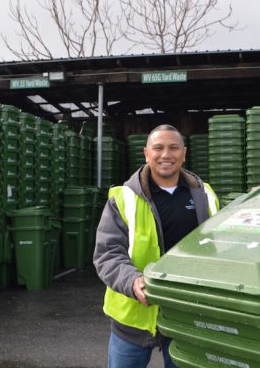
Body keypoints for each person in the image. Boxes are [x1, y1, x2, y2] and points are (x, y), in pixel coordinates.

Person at [93, 124, 220, 368]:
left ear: (184, 153)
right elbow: (107, 254)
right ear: (146, 153)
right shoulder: (123, 197)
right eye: (158, 148)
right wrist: (132, 281)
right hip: (133, 319)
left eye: (173, 148)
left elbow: (227, 239)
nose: (166, 155)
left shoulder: (206, 195)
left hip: (186, 315)